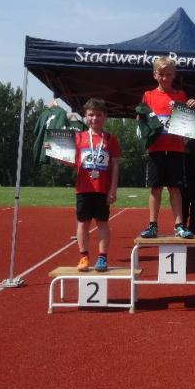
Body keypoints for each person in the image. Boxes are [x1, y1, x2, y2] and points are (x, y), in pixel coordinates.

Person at [138, 57, 195, 239]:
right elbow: (142, 121)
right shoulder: (148, 95)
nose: (165, 78)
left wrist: (192, 106)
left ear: (174, 75)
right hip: (155, 149)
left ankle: (179, 225)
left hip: (176, 149)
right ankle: (152, 225)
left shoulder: (181, 95)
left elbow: (188, 119)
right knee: (155, 188)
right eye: (162, 74)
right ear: (155, 75)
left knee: (175, 188)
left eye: (169, 74)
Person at [72, 98, 120, 272]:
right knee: (82, 223)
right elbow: (70, 161)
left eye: (98, 115)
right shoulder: (78, 138)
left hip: (102, 189)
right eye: (91, 115)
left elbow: (115, 165)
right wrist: (57, 154)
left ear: (105, 116)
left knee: (103, 223)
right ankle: (84, 257)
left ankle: (102, 258)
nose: (94, 118)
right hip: (83, 188)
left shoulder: (110, 139)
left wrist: (113, 189)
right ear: (85, 116)